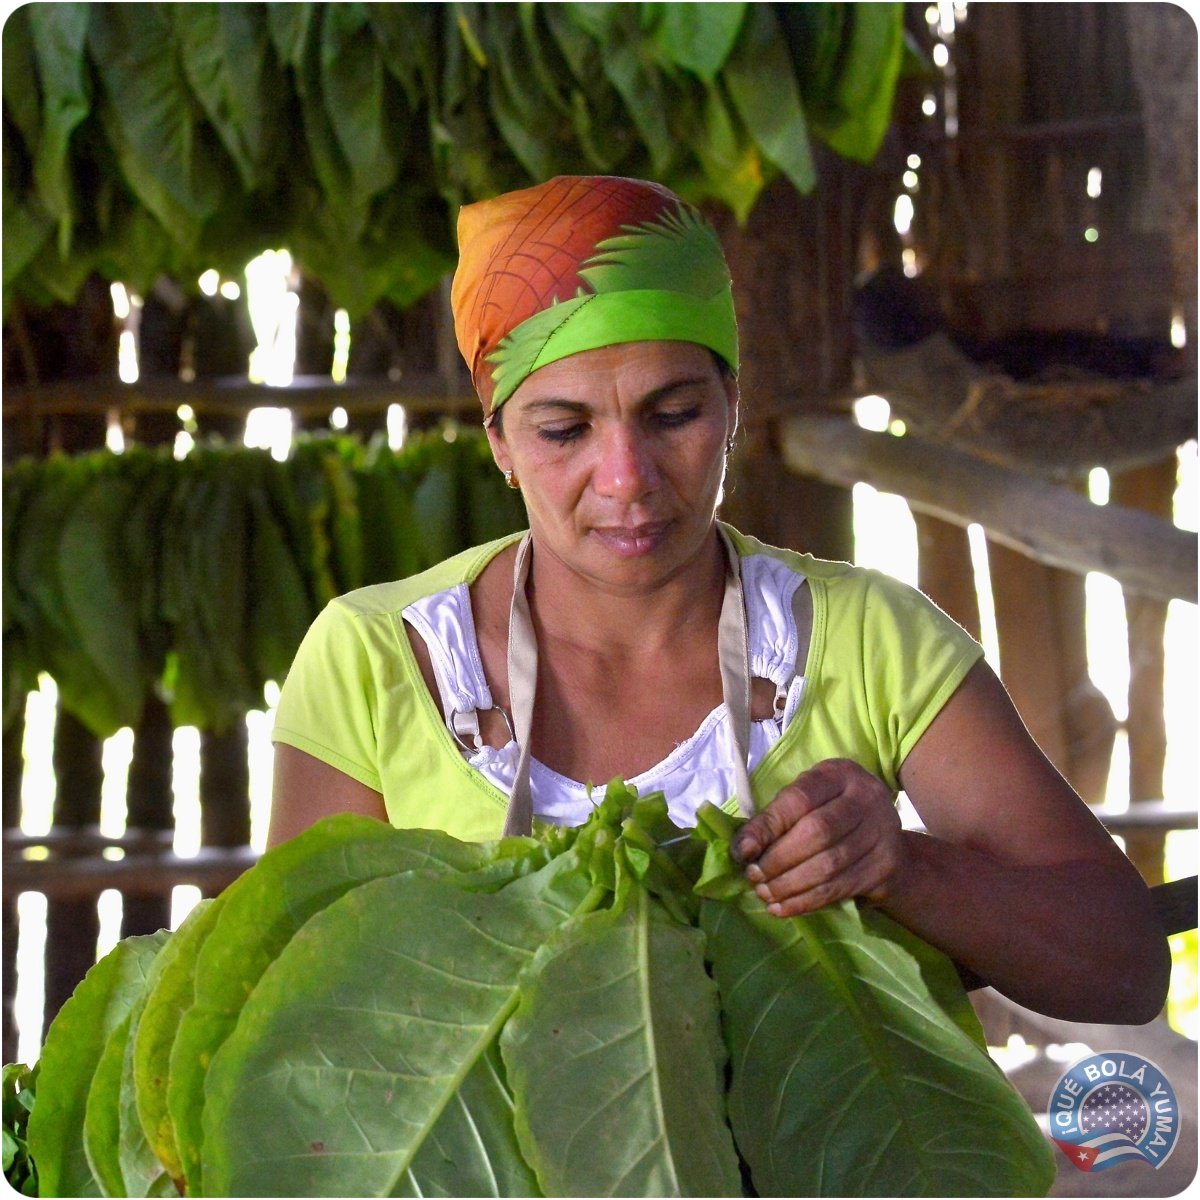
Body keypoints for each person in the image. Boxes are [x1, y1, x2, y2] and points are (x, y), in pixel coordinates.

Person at [269, 174, 1169, 1025]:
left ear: (734, 403)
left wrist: (907, 868)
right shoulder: (379, 660)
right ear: (498, 439)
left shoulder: (869, 642)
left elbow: (1126, 966)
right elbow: (289, 1013)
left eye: (673, 416)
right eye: (563, 430)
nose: (627, 478)